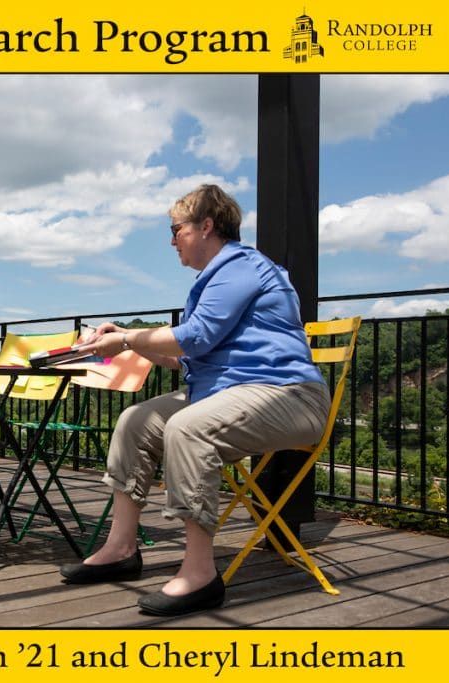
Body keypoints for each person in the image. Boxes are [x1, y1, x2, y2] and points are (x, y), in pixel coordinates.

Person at [59, 184, 331, 616]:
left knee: (188, 426)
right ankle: (121, 548)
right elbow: (179, 356)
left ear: (206, 226)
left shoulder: (241, 265)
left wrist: (127, 337)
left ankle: (200, 573)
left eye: (176, 229)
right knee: (136, 420)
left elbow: (196, 336)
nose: (171, 241)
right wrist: (123, 341)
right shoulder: (214, 280)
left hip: (289, 395)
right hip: (228, 392)